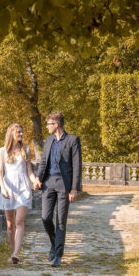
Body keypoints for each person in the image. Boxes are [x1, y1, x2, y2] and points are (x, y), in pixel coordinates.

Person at [35, 111, 82, 267]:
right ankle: (55, 244)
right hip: (48, 183)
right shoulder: (48, 140)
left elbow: (77, 166)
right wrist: (37, 178)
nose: (47, 127)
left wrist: (74, 189)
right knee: (45, 218)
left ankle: (58, 255)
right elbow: (43, 162)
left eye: (48, 124)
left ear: (56, 125)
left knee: (61, 220)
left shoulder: (72, 140)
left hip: (64, 183)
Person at [0, 123, 37, 264]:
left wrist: (34, 181)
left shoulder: (26, 149)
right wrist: (2, 188)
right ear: (12, 134)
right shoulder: (2, 151)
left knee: (19, 221)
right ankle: (13, 252)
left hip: (23, 188)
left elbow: (29, 171)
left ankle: (16, 254)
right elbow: (0, 173)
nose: (21, 134)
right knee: (10, 224)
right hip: (8, 187)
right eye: (18, 132)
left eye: (22, 131)